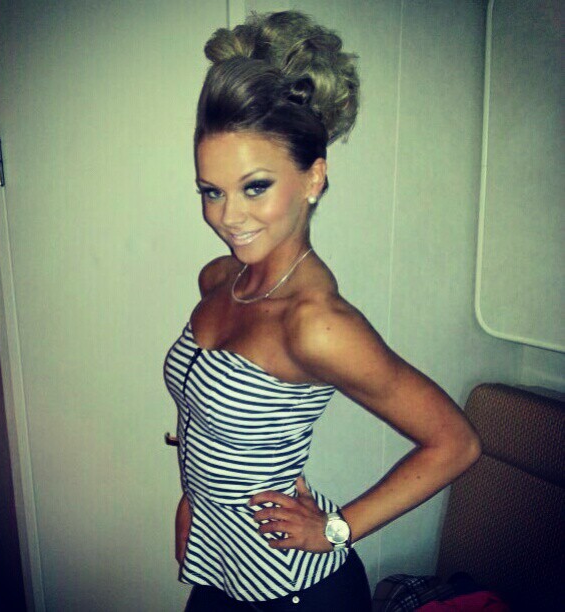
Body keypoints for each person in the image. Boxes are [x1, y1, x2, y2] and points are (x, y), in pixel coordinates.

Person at [163, 10, 482, 612]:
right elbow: (204, 416)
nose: (228, 216)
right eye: (212, 191)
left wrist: (337, 528)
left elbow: (456, 443)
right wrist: (193, 497)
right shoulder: (220, 279)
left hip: (294, 589)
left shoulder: (316, 323)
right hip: (219, 568)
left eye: (255, 186)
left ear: (313, 179)